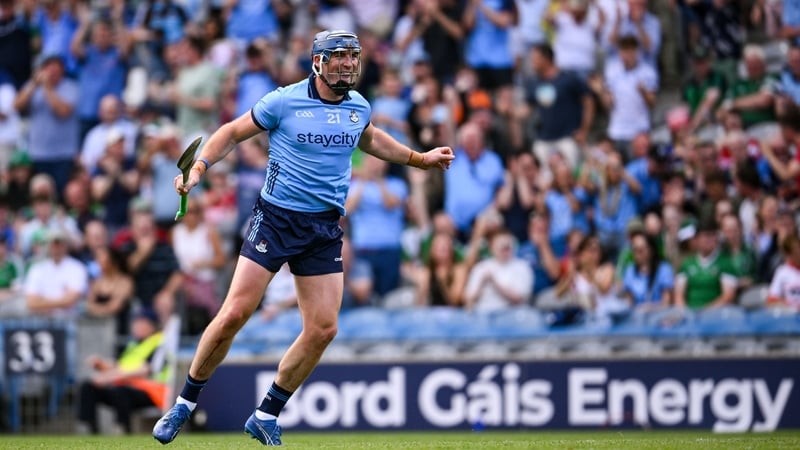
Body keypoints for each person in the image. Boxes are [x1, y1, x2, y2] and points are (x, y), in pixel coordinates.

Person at [152, 30, 454, 446]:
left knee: (324, 328)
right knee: (235, 314)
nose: (349, 64)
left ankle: (266, 413)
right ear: (317, 62)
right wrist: (199, 169)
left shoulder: (358, 107)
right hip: (275, 220)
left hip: (324, 227)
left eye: (354, 56)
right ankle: (184, 403)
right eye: (340, 57)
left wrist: (419, 159)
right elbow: (231, 132)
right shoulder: (283, 100)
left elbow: (369, 137)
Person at [77, 309, 168, 435]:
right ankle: (89, 428)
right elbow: (121, 365)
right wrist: (101, 365)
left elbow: (145, 369)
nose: (136, 326)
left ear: (152, 325)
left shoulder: (160, 342)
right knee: (88, 386)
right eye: (135, 323)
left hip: (152, 392)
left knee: (120, 392)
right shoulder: (134, 344)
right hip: (129, 387)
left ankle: (122, 428)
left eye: (141, 323)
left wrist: (107, 377)